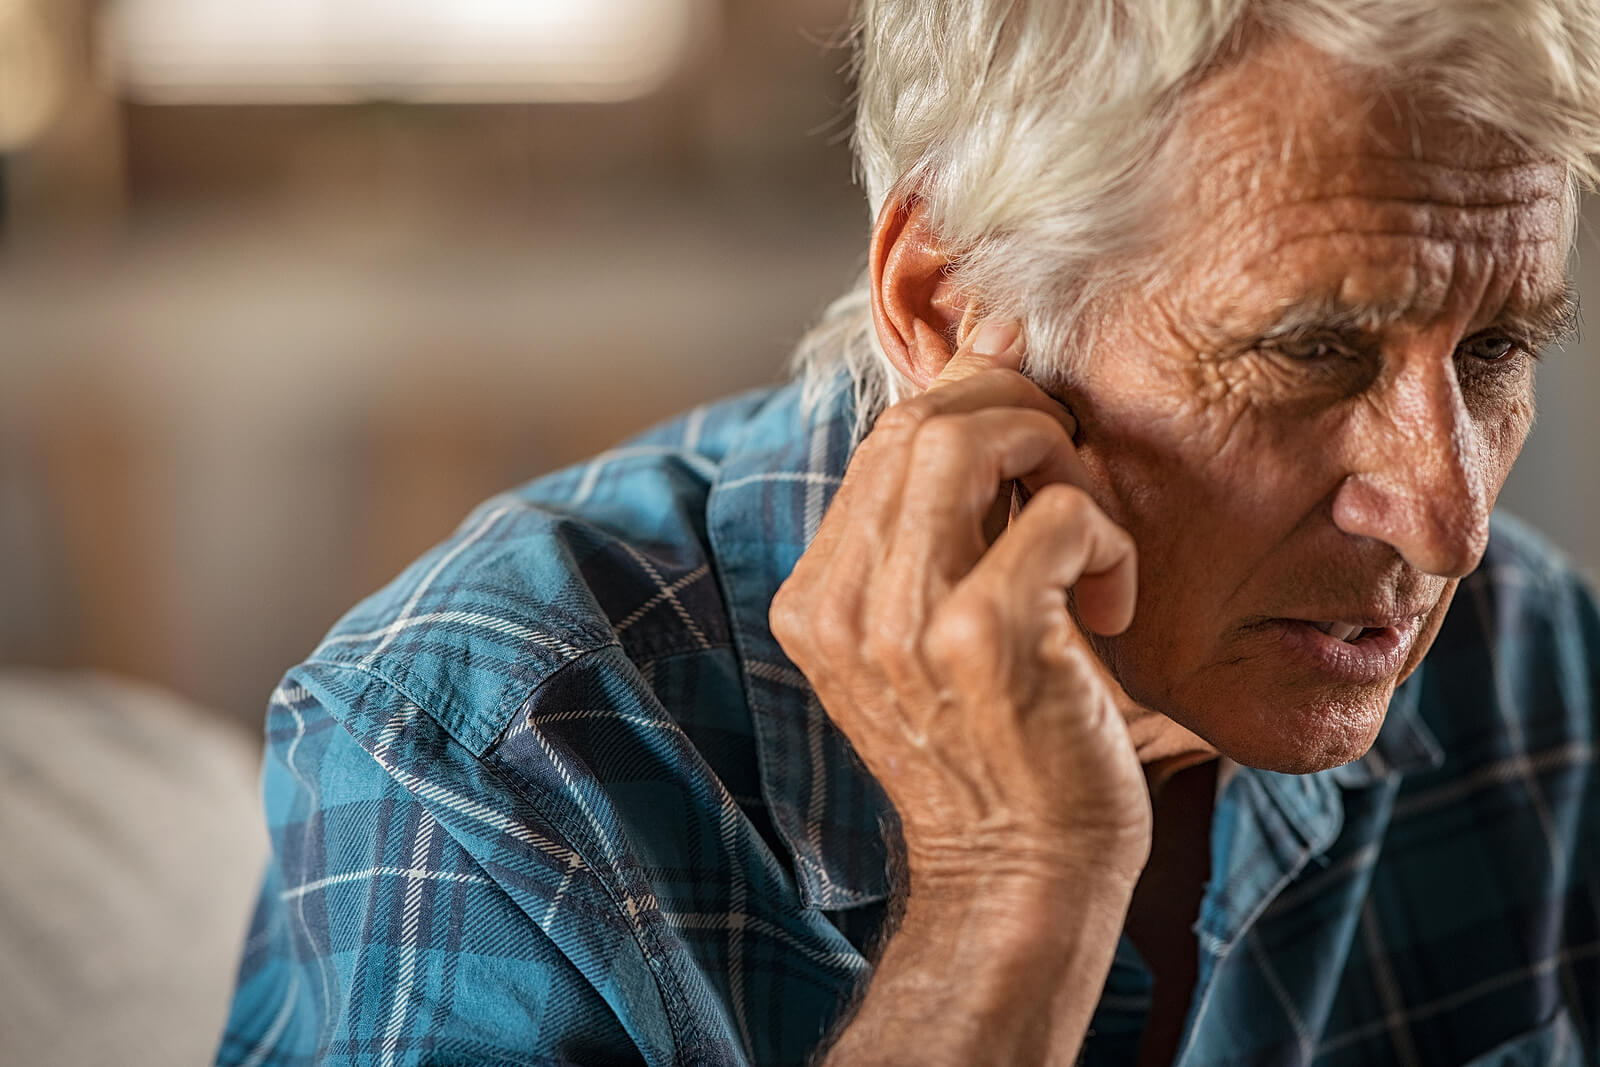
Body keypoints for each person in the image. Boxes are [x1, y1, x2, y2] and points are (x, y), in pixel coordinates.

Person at [217, 2, 1600, 1065]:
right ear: (948, 308)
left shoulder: (1542, 671)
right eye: (1311, 350)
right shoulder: (490, 753)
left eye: (1494, 354)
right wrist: (1013, 892)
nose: (1450, 520)